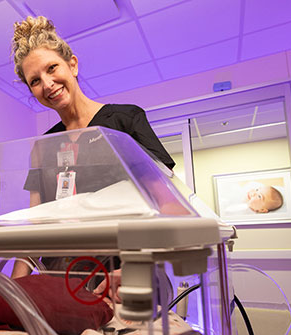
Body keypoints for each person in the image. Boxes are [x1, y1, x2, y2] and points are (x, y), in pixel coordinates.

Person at [10, 16, 175, 302]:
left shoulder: (125, 121)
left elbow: (169, 204)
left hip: (125, 277)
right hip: (60, 282)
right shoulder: (43, 147)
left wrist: (140, 265)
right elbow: (34, 227)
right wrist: (12, 290)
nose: (47, 84)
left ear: (72, 65)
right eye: (35, 81)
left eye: (52, 68)